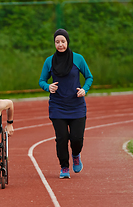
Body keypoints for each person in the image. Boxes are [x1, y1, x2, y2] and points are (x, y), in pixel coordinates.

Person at [39, 29, 93, 179]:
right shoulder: (49, 61)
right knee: (61, 138)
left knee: (77, 138)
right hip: (57, 106)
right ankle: (64, 166)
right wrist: (47, 87)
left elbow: (89, 77)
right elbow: (42, 80)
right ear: (54, 43)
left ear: (67, 42)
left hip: (76, 106)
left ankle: (76, 154)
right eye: (57, 42)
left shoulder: (78, 59)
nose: (60, 44)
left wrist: (84, 89)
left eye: (63, 41)